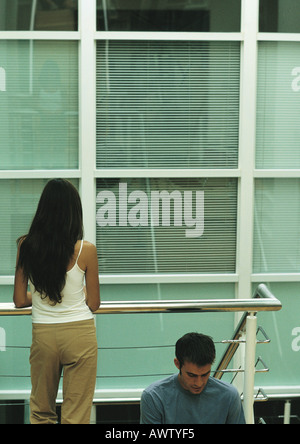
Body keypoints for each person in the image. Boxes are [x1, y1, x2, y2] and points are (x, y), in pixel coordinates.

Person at [13, 179, 100, 424]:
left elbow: (19, 300)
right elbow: (94, 303)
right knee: (77, 414)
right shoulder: (86, 250)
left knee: (41, 411)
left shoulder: (26, 245)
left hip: (44, 336)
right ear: (75, 212)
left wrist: (40, 297)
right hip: (80, 334)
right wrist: (78, 294)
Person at [140, 332, 246, 424]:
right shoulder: (154, 397)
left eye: (205, 374)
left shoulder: (229, 396)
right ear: (177, 364)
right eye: (191, 375)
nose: (199, 383)